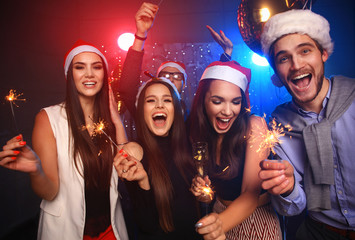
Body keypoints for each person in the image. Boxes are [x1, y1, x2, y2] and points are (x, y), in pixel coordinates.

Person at [0, 40, 129, 240]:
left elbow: (127, 171)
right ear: (70, 75)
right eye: (80, 67)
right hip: (65, 232)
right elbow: (50, 193)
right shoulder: (48, 118)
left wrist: (118, 123)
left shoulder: (109, 121)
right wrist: (37, 170)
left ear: (105, 75)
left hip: (111, 230)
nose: (89, 74)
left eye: (96, 67)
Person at [258, 9, 355, 240]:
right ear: (277, 71)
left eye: (305, 51)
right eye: (284, 58)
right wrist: (289, 187)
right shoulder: (278, 123)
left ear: (323, 53)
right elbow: (294, 206)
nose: (296, 64)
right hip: (318, 232)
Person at [113, 78, 225, 240]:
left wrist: (204, 196)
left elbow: (205, 204)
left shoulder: (192, 145)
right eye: (151, 100)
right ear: (141, 110)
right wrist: (144, 181)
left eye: (167, 100)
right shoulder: (134, 154)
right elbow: (146, 226)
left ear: (176, 109)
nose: (159, 105)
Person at [188, 60, 282, 239]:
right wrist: (204, 192)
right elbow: (216, 191)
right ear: (203, 101)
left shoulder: (255, 125)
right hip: (219, 213)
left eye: (236, 102)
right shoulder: (202, 133)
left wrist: (218, 225)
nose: (228, 111)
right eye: (217, 101)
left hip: (256, 221)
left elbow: (250, 194)